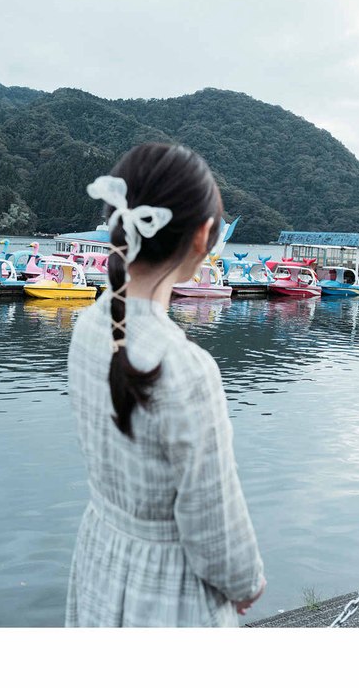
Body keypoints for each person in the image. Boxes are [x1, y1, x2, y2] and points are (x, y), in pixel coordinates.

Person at [65, 142, 266, 627]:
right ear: (202, 237)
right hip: (169, 589)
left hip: (101, 556)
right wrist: (247, 583)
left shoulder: (87, 326)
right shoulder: (185, 367)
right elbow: (212, 519)